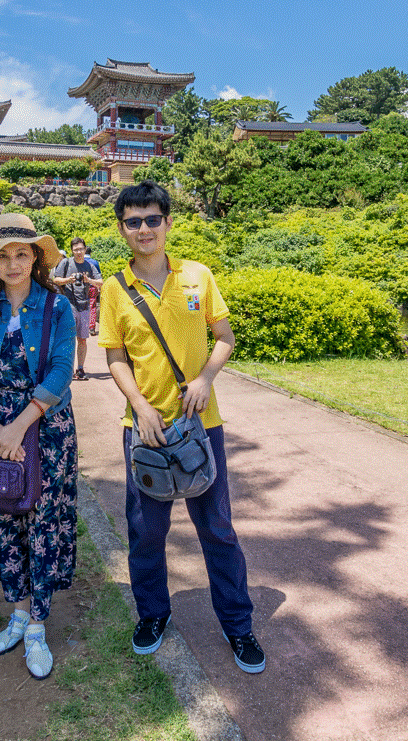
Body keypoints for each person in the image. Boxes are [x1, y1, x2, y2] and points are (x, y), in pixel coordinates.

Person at [99, 181, 265, 675]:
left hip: (200, 426)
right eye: (133, 221)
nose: (144, 229)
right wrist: (139, 405)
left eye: (153, 219)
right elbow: (114, 357)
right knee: (146, 531)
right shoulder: (114, 288)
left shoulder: (198, 275)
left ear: (169, 223)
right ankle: (153, 615)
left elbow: (225, 338)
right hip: (144, 430)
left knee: (216, 528)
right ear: (123, 228)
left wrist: (206, 379)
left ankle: (238, 625)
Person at [0, 215, 77, 680]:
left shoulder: (57, 307)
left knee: (42, 520)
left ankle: (37, 624)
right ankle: (17, 611)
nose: (13, 263)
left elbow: (60, 370)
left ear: (37, 258)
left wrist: (19, 428)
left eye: (22, 253)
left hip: (45, 429)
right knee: (4, 516)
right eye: (3, 256)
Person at [51, 236, 103, 379]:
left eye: (81, 249)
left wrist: (89, 280)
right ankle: (65, 369)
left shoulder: (89, 266)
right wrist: (69, 280)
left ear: (85, 249)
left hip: (84, 305)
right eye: (75, 250)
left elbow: (100, 282)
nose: (78, 252)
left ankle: (80, 369)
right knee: (68, 338)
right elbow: (55, 279)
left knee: (82, 340)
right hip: (68, 305)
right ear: (72, 251)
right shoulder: (66, 263)